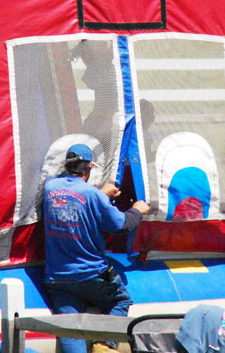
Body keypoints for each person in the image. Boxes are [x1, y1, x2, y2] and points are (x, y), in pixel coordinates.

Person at [42, 143, 149, 353]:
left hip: (56, 277)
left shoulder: (50, 188)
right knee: (121, 301)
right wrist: (137, 210)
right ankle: (104, 346)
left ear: (67, 165)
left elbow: (73, 200)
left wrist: (100, 194)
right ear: (89, 166)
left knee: (69, 327)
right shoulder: (94, 196)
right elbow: (121, 225)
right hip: (90, 276)